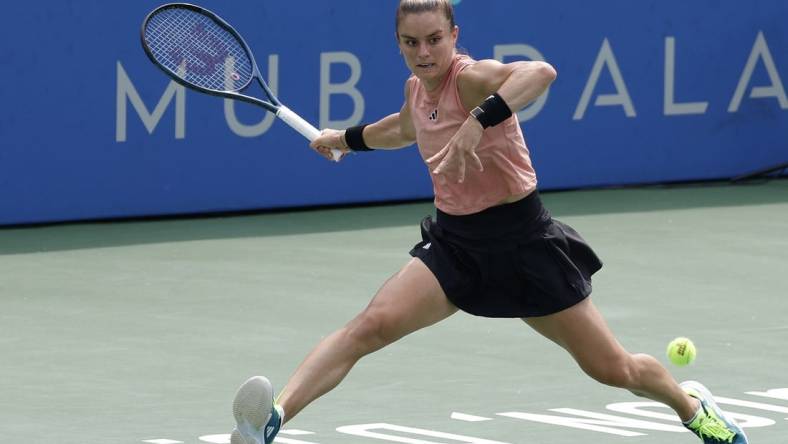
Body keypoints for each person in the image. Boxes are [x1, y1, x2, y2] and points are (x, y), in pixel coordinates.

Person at [230, 1, 748, 443]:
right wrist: (344, 138)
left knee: (614, 369)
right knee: (369, 327)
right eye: (411, 43)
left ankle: (693, 408)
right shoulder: (416, 89)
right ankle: (274, 418)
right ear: (399, 44)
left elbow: (541, 73)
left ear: (454, 36)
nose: (424, 53)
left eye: (435, 39)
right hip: (455, 245)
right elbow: (405, 129)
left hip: (523, 244)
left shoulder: (471, 78)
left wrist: (478, 124)